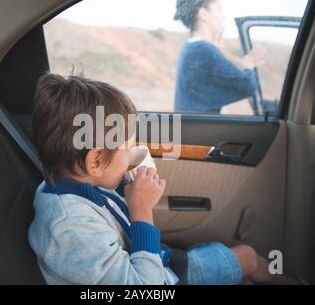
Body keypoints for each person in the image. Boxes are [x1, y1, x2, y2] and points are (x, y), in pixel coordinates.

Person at [28, 73, 285, 284]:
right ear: (95, 161)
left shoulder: (71, 184)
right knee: (248, 257)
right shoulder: (70, 227)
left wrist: (122, 175)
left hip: (160, 265)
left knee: (220, 252)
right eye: (126, 148)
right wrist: (141, 210)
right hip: (158, 279)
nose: (131, 153)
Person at [174, 0, 265, 113]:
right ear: (203, 14)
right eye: (219, 9)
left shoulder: (191, 47)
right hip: (203, 130)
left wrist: (218, 52)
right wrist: (247, 64)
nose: (223, 16)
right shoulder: (203, 50)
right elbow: (248, 86)